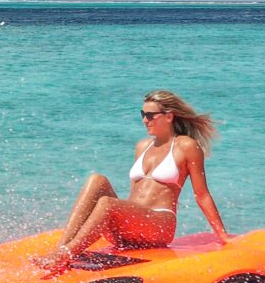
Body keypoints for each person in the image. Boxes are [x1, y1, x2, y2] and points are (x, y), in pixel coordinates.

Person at [38, 90, 226, 272]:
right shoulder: (142, 146)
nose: (145, 120)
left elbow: (202, 195)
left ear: (169, 116)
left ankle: (66, 254)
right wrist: (117, 219)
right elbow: (135, 194)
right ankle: (61, 248)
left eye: (150, 115)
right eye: (143, 114)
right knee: (97, 180)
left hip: (159, 226)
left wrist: (222, 235)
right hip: (131, 229)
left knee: (107, 203)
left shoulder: (186, 146)